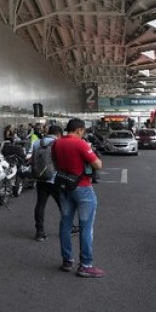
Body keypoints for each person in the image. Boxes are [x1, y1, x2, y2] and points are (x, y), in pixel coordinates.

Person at [54, 118, 104, 277]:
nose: (83, 134)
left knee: (65, 223)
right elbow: (98, 165)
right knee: (86, 227)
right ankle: (86, 265)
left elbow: (56, 163)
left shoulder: (57, 143)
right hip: (82, 188)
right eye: (83, 131)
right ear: (79, 130)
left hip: (64, 186)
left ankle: (67, 260)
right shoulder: (80, 143)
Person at [31, 124, 62, 242]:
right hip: (54, 179)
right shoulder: (58, 143)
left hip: (40, 178)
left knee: (40, 204)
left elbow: (32, 158)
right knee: (63, 205)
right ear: (59, 134)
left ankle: (39, 232)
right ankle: (68, 228)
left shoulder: (37, 142)